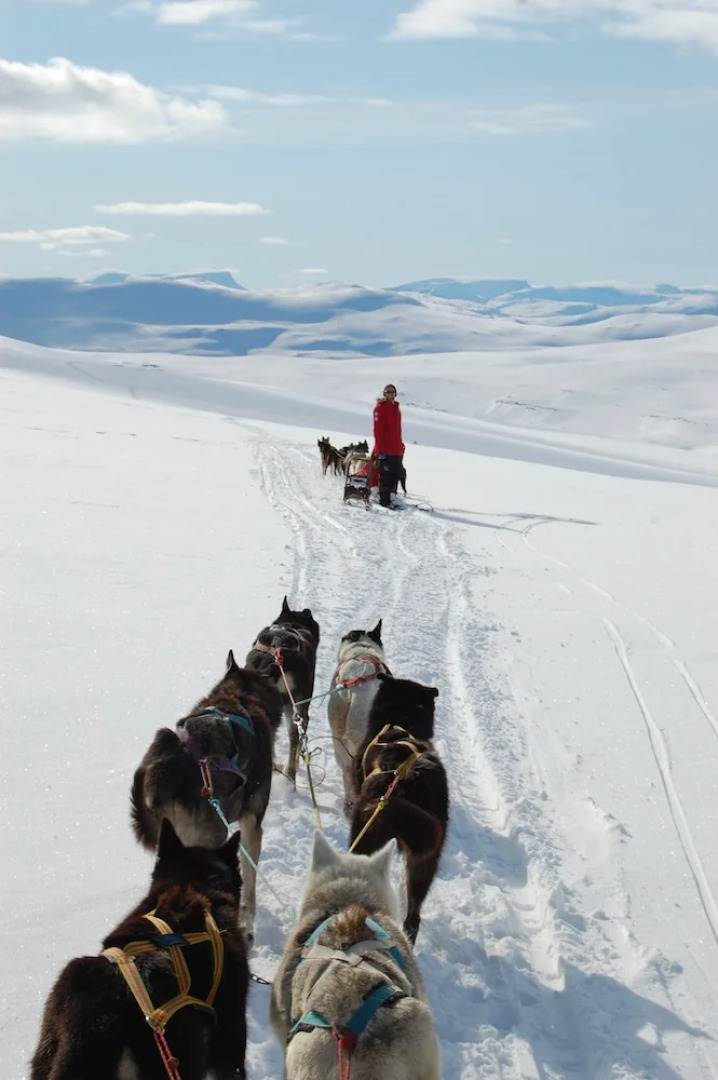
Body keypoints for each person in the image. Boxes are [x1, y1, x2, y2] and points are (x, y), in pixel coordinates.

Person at [372, 383, 404, 507]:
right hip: (385, 450)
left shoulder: (396, 408)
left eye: (392, 392)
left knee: (396, 475)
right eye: (388, 392)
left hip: (396, 449)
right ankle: (384, 501)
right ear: (384, 393)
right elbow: (378, 431)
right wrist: (380, 450)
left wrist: (400, 445)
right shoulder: (380, 409)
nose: (390, 394)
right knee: (385, 477)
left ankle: (392, 498)